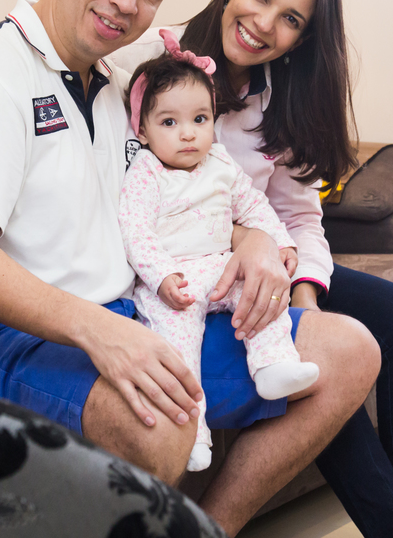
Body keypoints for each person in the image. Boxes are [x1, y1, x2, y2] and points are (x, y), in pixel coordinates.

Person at [0, 0, 379, 536]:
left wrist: (256, 240)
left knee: (349, 350)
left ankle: (209, 530)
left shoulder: (124, 84)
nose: (128, 3)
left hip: (129, 309)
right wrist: (101, 331)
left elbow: (197, 190)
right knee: (162, 419)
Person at [115, 0, 393, 538]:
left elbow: (300, 218)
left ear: (301, 39)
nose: (264, 23)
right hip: (185, 272)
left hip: (267, 260)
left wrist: (303, 300)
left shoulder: (283, 98)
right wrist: (244, 238)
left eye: (291, 19)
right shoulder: (145, 66)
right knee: (323, 366)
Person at [120, 31, 320, 473]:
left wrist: (282, 243)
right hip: (175, 281)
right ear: (143, 130)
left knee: (262, 294)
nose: (188, 134)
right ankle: (192, 432)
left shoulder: (221, 163)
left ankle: (273, 364)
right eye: (169, 123)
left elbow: (255, 207)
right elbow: (135, 232)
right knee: (178, 347)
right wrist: (161, 276)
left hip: (222, 268)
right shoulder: (146, 172)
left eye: (200, 119)